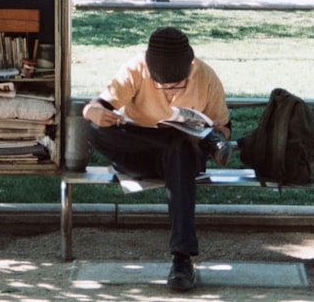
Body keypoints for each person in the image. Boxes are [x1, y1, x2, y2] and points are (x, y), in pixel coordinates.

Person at [83, 27, 231, 292]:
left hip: (185, 154)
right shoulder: (135, 69)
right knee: (92, 129)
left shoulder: (205, 75)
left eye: (178, 84)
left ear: (190, 66)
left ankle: (182, 260)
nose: (171, 90)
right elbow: (97, 107)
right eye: (163, 84)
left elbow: (225, 127)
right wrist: (93, 112)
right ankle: (171, 142)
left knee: (179, 146)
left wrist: (214, 132)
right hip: (141, 151)